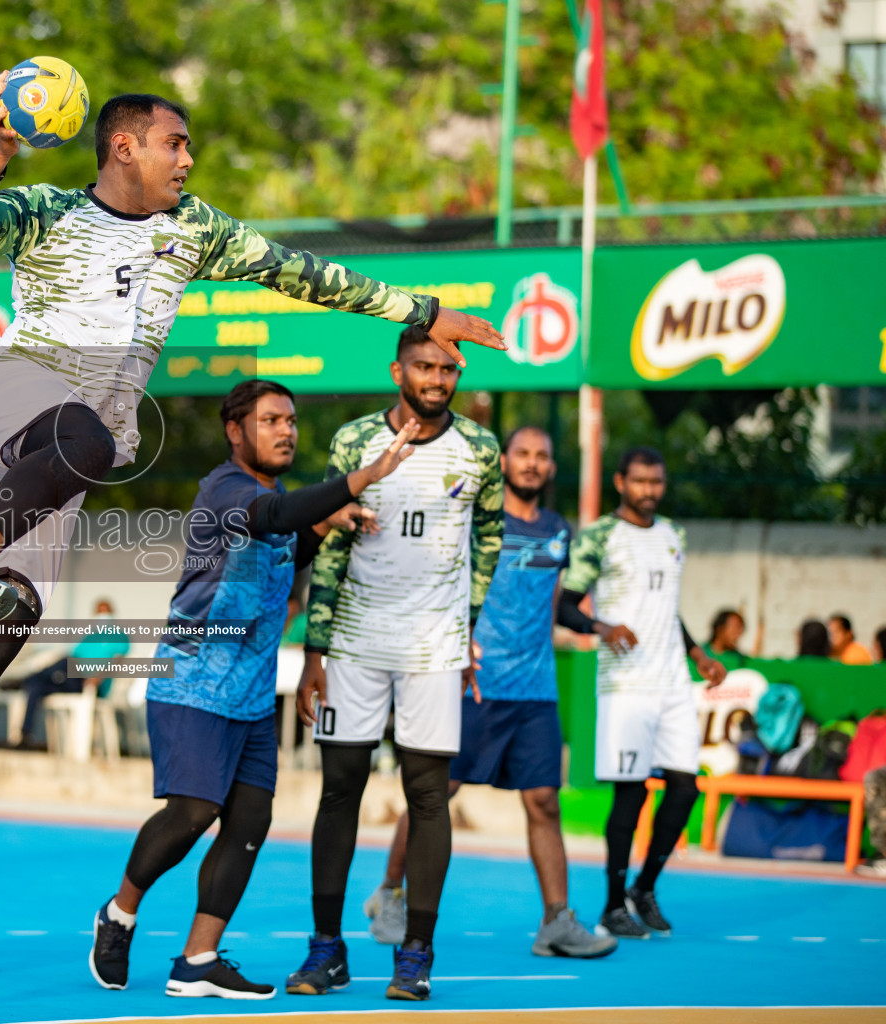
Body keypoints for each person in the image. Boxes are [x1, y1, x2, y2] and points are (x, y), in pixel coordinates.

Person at [0, 87, 504, 860]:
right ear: (126, 147)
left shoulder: (195, 228)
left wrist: (423, 311)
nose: (189, 159)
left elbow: (302, 272)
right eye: (176, 143)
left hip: (54, 464)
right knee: (97, 436)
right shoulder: (46, 209)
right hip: (15, 393)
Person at [89, 379, 417, 1000]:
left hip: (251, 694)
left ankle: (197, 959)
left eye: (290, 420)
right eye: (270, 420)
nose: (286, 430)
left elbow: (286, 543)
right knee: (193, 812)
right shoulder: (227, 490)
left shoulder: (280, 498)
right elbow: (271, 519)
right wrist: (365, 475)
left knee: (249, 821)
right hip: (192, 683)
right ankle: (119, 913)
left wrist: (328, 527)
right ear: (236, 432)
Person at [350, 426, 615, 968]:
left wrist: (597, 624)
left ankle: (556, 921)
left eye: (543, 455)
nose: (533, 463)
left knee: (544, 802)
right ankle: (391, 895)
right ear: (505, 462)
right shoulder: (474, 521)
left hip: (536, 690)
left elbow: (555, 604)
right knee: (436, 794)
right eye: (523, 453)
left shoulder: (560, 531)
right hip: (474, 684)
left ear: (551, 468)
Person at [290, 327, 502, 1002]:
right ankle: (327, 950)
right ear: (397, 370)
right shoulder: (354, 442)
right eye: (425, 367)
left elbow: (490, 536)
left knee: (429, 796)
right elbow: (328, 542)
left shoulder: (480, 450)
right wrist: (312, 650)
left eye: (448, 369)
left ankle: (416, 953)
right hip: (354, 638)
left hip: (434, 646)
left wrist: (465, 622)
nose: (438, 379)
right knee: (340, 789)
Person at [557, 446, 726, 941]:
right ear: (619, 482)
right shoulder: (600, 537)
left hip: (673, 679)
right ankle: (612, 905)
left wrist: (698, 654)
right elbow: (565, 605)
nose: (649, 490)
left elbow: (665, 608)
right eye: (640, 481)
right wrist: (601, 626)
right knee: (630, 796)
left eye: (656, 482)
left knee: (685, 788)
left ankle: (644, 887)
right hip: (625, 683)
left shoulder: (675, 534)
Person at [16, 599, 128, 750]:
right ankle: (25, 736)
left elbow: (118, 661)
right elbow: (75, 656)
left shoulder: (119, 637)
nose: (103, 616)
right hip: (70, 680)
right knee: (36, 686)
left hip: (89, 685)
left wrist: (97, 678)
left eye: (105, 612)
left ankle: (23, 680)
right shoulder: (89, 637)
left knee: (62, 663)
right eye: (99, 612)